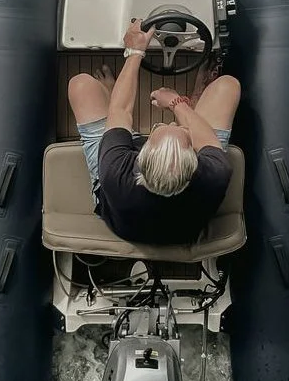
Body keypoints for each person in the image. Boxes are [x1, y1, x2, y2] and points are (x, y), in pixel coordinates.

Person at [67, 21, 241, 245]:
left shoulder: (115, 171)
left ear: (139, 152)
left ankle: (116, 112)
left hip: (124, 225)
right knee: (228, 85)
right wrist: (178, 104)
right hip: (183, 231)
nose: (166, 122)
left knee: (81, 85)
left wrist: (135, 51)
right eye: (177, 128)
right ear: (196, 157)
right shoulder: (214, 173)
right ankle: (196, 102)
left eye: (160, 127)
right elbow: (206, 138)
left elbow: (121, 110)